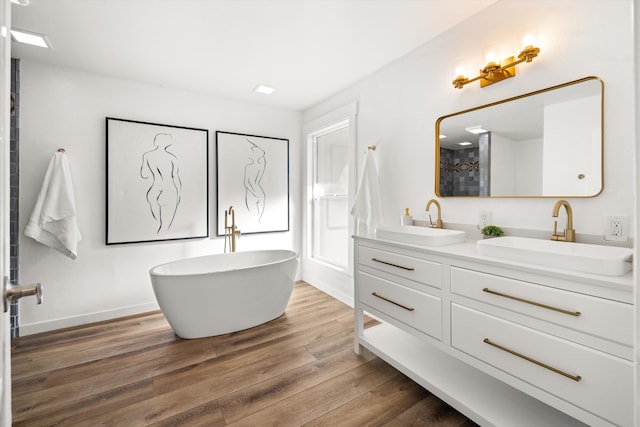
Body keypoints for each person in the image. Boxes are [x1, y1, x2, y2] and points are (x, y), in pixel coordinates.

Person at [140, 133, 182, 233]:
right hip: (169, 190)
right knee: (164, 227)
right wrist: (179, 193)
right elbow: (175, 177)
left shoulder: (147, 156)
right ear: (168, 143)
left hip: (154, 190)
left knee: (159, 224)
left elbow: (144, 174)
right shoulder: (172, 158)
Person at [244, 139, 266, 223]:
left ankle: (258, 220)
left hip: (253, 190)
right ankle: (258, 220)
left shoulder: (249, 167)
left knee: (254, 215)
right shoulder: (259, 166)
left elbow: (246, 183)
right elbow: (246, 183)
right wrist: (255, 192)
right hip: (255, 189)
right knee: (254, 215)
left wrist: (254, 192)